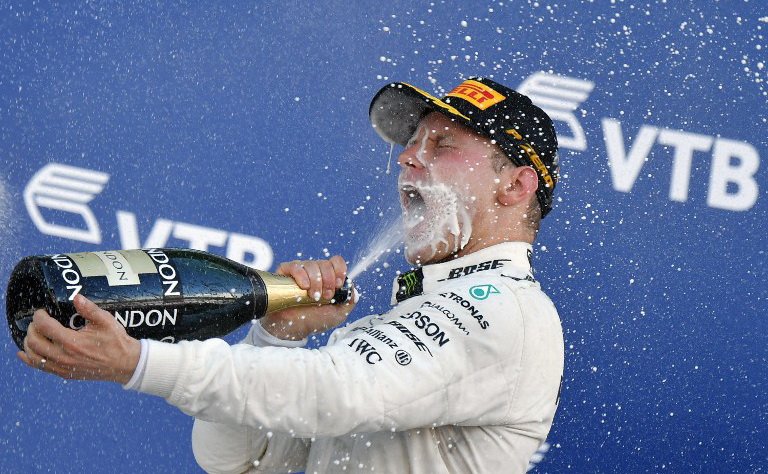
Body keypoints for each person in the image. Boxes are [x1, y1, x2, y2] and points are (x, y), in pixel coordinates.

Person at [19, 77, 565, 473]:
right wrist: (276, 337)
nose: (407, 159)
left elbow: (339, 391)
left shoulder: (509, 311)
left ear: (514, 186)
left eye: (441, 144)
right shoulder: (409, 313)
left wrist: (140, 361)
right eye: (411, 143)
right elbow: (239, 459)